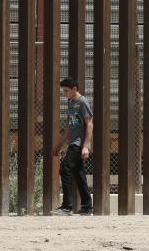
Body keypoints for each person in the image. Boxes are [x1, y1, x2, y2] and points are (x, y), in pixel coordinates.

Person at [51, 77, 94, 216]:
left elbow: (89, 124)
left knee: (65, 168)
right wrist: (59, 143)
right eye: (63, 91)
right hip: (72, 142)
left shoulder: (83, 102)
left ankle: (67, 206)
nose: (65, 94)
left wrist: (86, 146)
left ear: (75, 89)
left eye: (66, 91)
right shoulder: (71, 102)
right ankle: (87, 207)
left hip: (79, 143)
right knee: (79, 174)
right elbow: (70, 127)